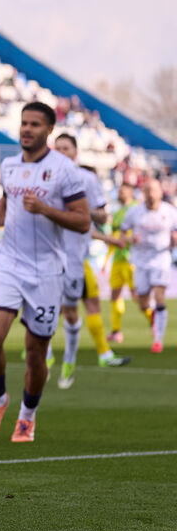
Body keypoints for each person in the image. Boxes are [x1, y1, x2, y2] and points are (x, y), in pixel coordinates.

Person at [0, 102, 90, 443]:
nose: (27, 129)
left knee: (35, 352)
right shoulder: (9, 165)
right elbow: (7, 199)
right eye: (24, 123)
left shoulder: (64, 170)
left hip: (46, 273)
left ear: (49, 130)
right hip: (8, 264)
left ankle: (27, 416)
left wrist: (45, 209)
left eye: (35, 124)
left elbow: (83, 220)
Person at [52, 133, 130, 389]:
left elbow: (100, 217)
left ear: (75, 152)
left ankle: (76, 358)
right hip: (47, 257)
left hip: (75, 258)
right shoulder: (45, 178)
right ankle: (45, 353)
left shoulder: (87, 179)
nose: (62, 151)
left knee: (79, 308)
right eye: (58, 147)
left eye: (67, 148)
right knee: (48, 310)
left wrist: (80, 212)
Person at [119, 179, 177, 353]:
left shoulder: (170, 211)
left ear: (160, 192)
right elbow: (122, 233)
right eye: (148, 191)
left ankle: (158, 340)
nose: (151, 195)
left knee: (160, 297)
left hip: (161, 258)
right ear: (143, 193)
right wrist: (130, 239)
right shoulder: (135, 212)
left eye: (154, 191)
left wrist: (174, 240)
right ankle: (152, 314)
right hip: (140, 260)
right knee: (142, 301)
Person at [104, 183, 137, 343]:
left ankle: (154, 322)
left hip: (132, 258)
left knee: (138, 297)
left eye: (122, 191)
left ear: (130, 192)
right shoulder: (117, 213)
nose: (119, 193)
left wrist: (126, 239)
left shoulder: (136, 209)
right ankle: (116, 331)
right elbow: (113, 235)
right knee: (115, 294)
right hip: (117, 258)